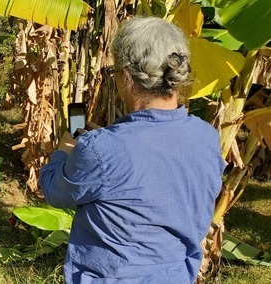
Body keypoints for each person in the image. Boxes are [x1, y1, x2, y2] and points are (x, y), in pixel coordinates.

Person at [39, 17, 225, 283]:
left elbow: (54, 190)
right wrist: (104, 142)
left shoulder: (102, 149)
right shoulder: (207, 137)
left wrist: (64, 150)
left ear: (126, 76)